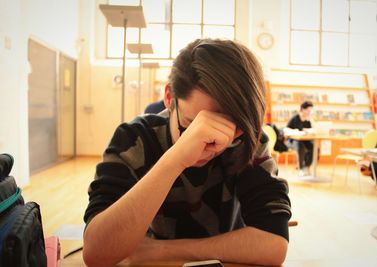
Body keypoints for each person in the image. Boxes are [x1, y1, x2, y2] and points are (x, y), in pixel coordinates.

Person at [83, 39, 291, 267]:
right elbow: (96, 253)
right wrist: (175, 160)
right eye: (192, 126)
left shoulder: (248, 139)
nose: (212, 145)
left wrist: (161, 250)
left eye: (229, 132)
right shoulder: (134, 139)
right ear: (170, 98)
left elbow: (274, 244)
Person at [284, 101, 314, 176]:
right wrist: (295, 131)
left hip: (304, 140)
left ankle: (306, 166)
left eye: (311, 111)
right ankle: (301, 168)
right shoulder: (295, 118)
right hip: (292, 141)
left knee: (313, 146)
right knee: (300, 146)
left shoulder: (308, 120)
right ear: (303, 109)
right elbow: (286, 129)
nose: (309, 112)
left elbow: (312, 130)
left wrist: (311, 121)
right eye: (308, 110)